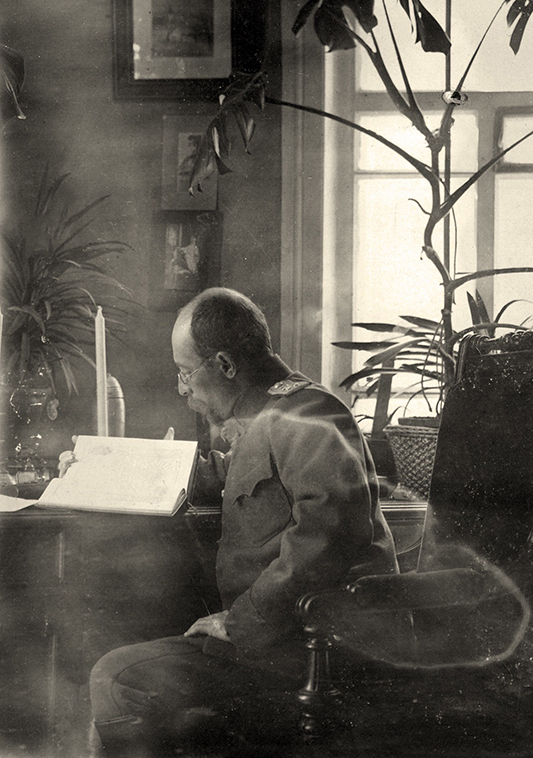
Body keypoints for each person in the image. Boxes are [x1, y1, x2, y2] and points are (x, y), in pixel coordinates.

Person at [78, 287, 401, 756]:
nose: (183, 388)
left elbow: (329, 535)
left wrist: (243, 619)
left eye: (186, 372)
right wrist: (101, 465)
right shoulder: (273, 414)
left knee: (117, 676)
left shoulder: (309, 414)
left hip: (315, 647)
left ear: (225, 365)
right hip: (288, 638)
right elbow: (232, 474)